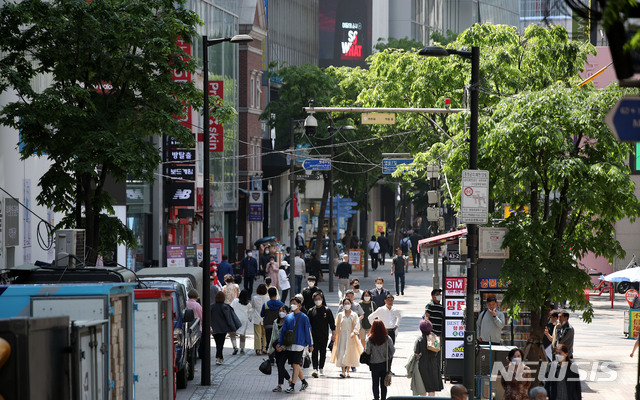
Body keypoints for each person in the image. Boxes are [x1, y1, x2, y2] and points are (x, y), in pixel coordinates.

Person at [276, 297, 313, 393]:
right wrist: (280, 343)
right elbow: (283, 331)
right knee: (294, 365)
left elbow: (308, 332)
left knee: (296, 364)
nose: (292, 305)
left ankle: (292, 385)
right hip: (290, 344)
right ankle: (304, 382)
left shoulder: (304, 317)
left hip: (300, 345)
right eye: (291, 303)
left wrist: (310, 344)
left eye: (294, 303)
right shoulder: (288, 317)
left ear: (299, 305)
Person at [330, 298, 363, 378]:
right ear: (343, 305)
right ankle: (343, 371)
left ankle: (348, 370)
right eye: (345, 304)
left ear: (351, 304)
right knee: (341, 352)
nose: (347, 305)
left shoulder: (354, 315)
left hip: (351, 336)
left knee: (349, 352)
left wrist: (354, 332)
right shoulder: (340, 315)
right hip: (342, 336)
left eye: (348, 303)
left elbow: (357, 325)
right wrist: (334, 335)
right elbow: (337, 326)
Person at [307, 291, 336, 377]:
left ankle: (321, 368)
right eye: (316, 299)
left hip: (324, 335)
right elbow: (308, 325)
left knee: (323, 352)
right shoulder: (311, 311)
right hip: (314, 335)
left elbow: (332, 324)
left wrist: (333, 335)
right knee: (314, 352)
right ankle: (315, 368)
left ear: (322, 299)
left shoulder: (327, 310)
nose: (318, 300)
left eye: (319, 299)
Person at [411, 320, 444, 396]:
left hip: (422, 365)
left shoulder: (419, 340)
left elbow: (416, 353)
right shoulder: (434, 338)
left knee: (422, 387)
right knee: (431, 389)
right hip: (433, 365)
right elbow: (437, 350)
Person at [364, 320, 395, 400]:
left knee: (375, 383)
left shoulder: (370, 339)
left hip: (374, 364)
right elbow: (393, 350)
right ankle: (383, 398)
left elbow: (367, 351)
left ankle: (376, 398)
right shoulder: (387, 338)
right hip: (385, 363)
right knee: (383, 383)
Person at [210, 291, 242, 365]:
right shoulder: (225, 306)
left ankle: (219, 357)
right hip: (223, 328)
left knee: (217, 343)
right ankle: (219, 357)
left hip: (214, 328)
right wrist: (233, 327)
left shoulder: (212, 306)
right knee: (221, 343)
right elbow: (229, 318)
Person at [268, 305, 292, 392]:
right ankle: (289, 381)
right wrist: (270, 349)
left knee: (280, 365)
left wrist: (282, 347)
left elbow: (290, 337)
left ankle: (280, 385)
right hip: (276, 346)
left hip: (285, 347)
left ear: (288, 312)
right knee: (279, 365)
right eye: (281, 310)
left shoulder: (289, 322)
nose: (282, 312)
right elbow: (272, 336)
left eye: (284, 311)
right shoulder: (275, 322)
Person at [261, 287, 284, 362]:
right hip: (278, 325)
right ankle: (277, 356)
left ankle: (271, 358)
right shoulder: (281, 304)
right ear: (276, 294)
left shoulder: (265, 305)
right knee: (277, 340)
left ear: (269, 294)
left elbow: (262, 314)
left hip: (268, 325)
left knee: (269, 341)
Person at [230, 289, 252, 355]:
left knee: (232, 333)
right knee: (242, 335)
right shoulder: (248, 303)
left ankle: (235, 347)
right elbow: (250, 311)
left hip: (236, 319)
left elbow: (231, 308)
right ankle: (242, 349)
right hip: (244, 319)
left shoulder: (235, 301)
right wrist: (250, 318)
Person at [250, 283, 269, 355]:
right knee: (265, 334)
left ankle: (259, 350)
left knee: (257, 334)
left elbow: (253, 307)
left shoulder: (254, 298)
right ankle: (264, 348)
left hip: (257, 318)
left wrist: (250, 317)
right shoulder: (267, 298)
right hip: (265, 318)